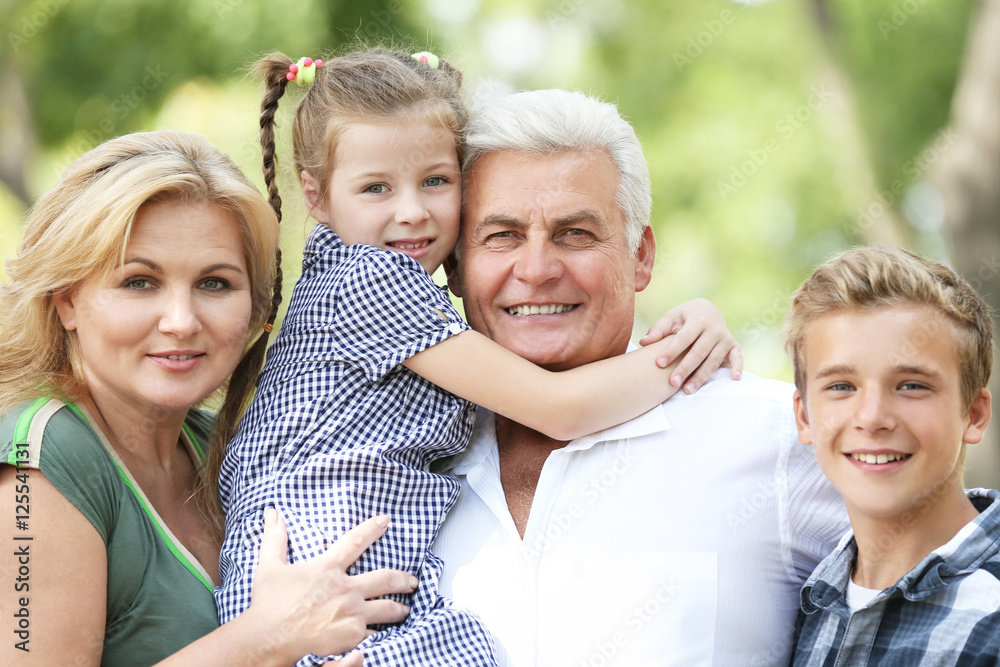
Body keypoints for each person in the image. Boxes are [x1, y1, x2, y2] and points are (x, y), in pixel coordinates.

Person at [213, 50, 743, 666]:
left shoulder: (359, 286)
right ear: (319, 197)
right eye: (376, 188)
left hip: (337, 571)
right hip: (327, 573)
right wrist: (684, 344)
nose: (411, 210)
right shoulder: (370, 281)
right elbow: (561, 407)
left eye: (435, 182)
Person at [431, 88, 851, 666]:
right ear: (455, 265)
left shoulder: (774, 436)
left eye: (575, 233)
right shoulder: (397, 460)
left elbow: (942, 573)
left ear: (641, 256)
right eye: (501, 235)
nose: (535, 270)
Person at [0, 130, 420, 667]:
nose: (182, 322)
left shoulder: (221, 444)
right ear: (68, 302)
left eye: (215, 284)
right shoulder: (42, 458)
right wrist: (265, 637)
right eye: (139, 282)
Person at [786, 245, 999, 665]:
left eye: (911, 385)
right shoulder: (807, 599)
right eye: (842, 386)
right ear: (804, 417)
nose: (873, 417)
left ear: (973, 414)